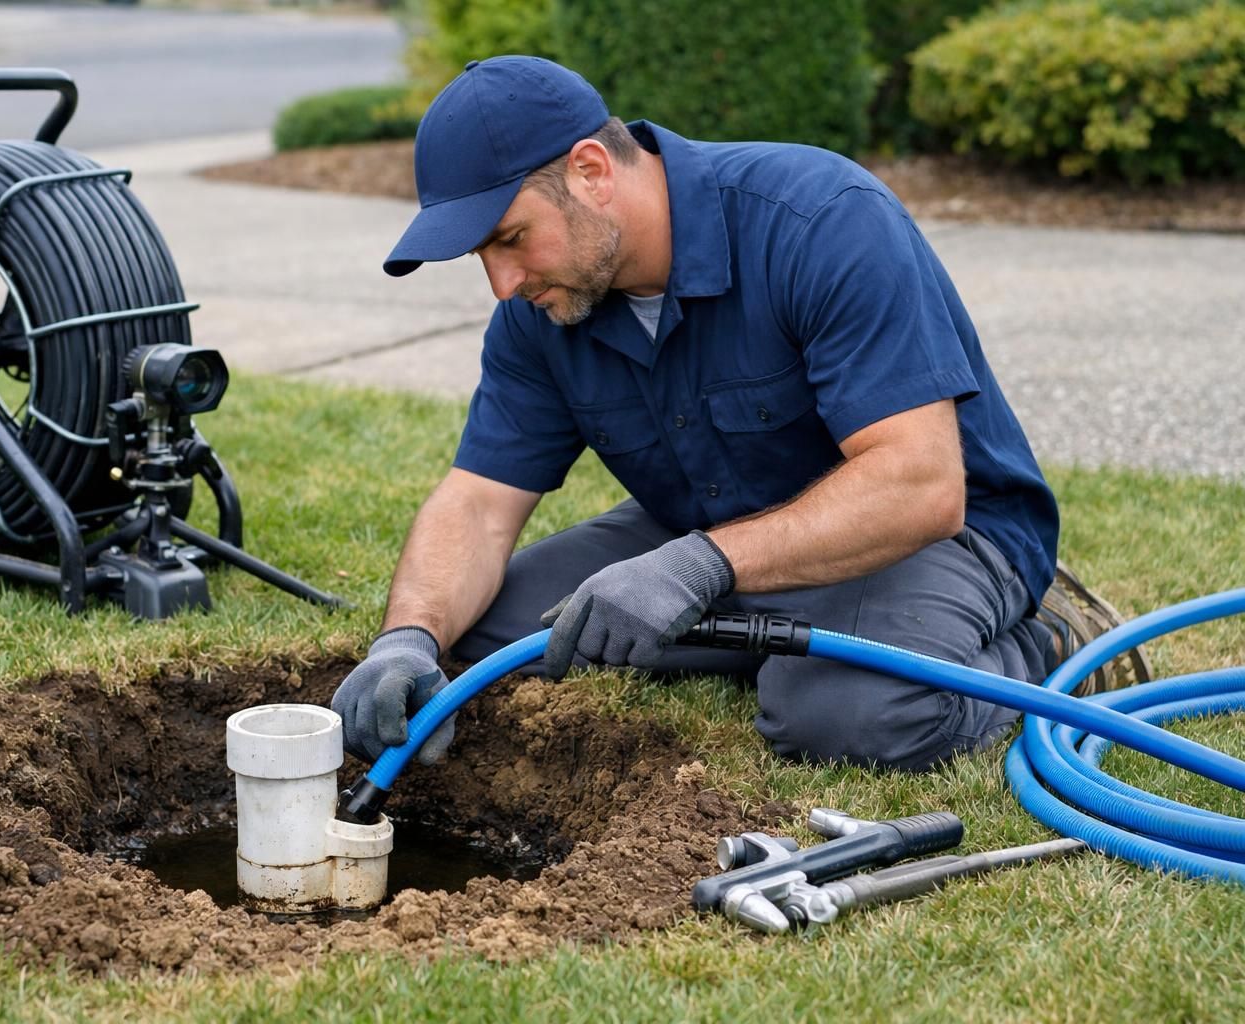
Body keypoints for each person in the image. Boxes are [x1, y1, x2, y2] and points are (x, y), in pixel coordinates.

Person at [330, 55, 1100, 774]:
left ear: (591, 171)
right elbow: (479, 502)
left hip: (930, 539)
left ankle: (1038, 640)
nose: (502, 283)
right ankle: (769, 639)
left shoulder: (820, 221)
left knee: (843, 717)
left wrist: (697, 568)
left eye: (511, 238)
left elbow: (921, 486)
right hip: (708, 530)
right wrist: (409, 638)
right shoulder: (542, 310)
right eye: (481, 258)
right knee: (486, 642)